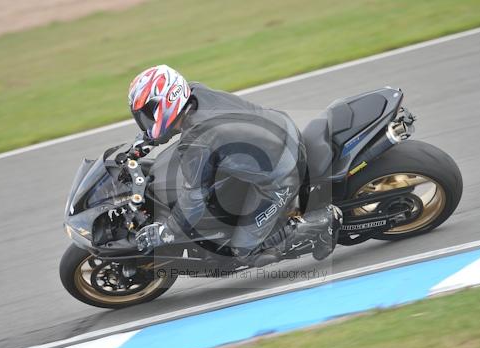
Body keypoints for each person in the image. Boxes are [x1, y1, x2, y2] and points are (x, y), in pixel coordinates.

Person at [128, 65, 341, 266]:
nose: (146, 121)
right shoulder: (194, 93)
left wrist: (168, 231)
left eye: (148, 113)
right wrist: (148, 140)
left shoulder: (197, 140)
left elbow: (194, 197)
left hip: (283, 174)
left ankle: (321, 221)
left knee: (244, 250)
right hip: (280, 129)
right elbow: (170, 124)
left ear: (166, 101)